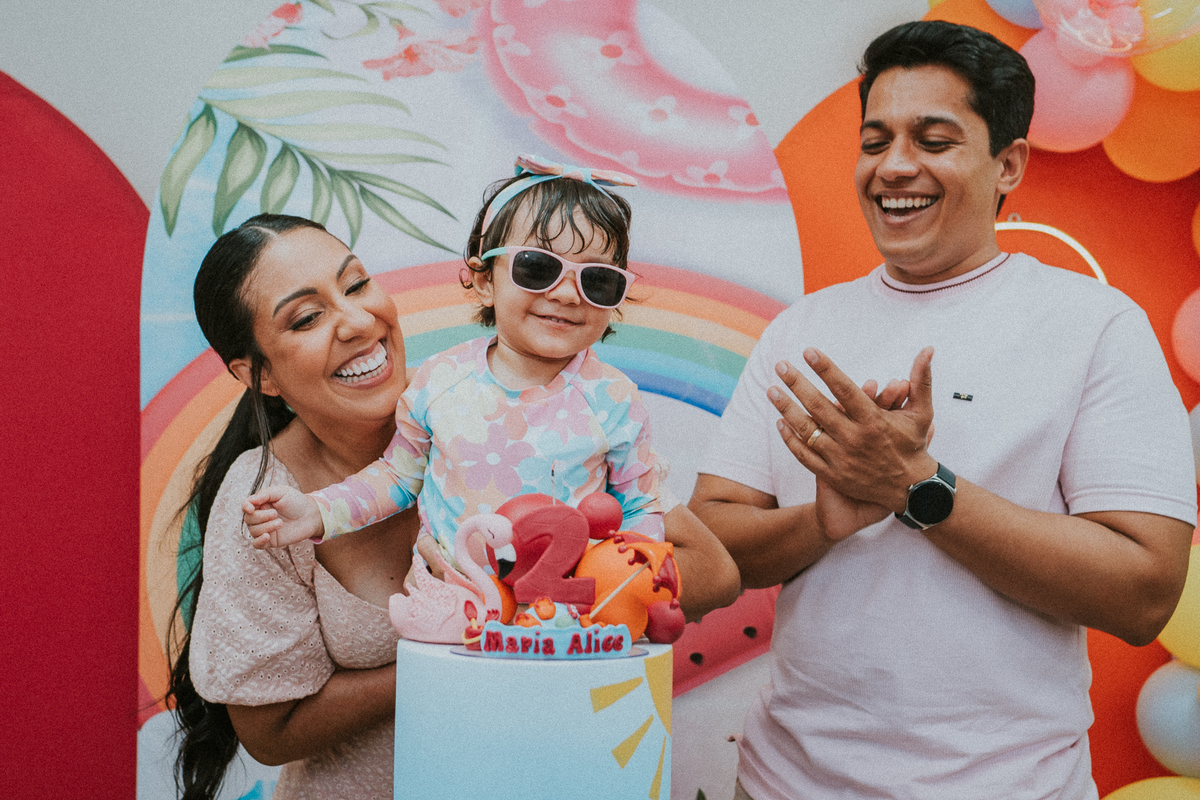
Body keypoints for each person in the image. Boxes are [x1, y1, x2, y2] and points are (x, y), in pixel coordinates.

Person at [690, 20, 1195, 800]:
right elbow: (713, 541)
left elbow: (1143, 592)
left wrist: (919, 489)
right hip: (785, 783)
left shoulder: (1094, 325)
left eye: (934, 140)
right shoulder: (803, 328)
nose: (895, 167)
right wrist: (824, 520)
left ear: (1009, 164)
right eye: (875, 139)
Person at [167, 213, 738, 800]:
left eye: (357, 284)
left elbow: (714, 571)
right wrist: (456, 649)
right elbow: (272, 732)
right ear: (257, 375)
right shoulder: (264, 502)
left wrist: (554, 578)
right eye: (307, 318)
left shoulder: (487, 404)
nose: (357, 321)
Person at [243, 155, 666, 567]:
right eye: (537, 269)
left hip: (564, 615)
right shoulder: (441, 380)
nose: (567, 294)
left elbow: (641, 508)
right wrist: (317, 511)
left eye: (597, 280)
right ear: (484, 281)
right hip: (453, 604)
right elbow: (396, 477)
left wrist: (625, 580)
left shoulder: (612, 398)